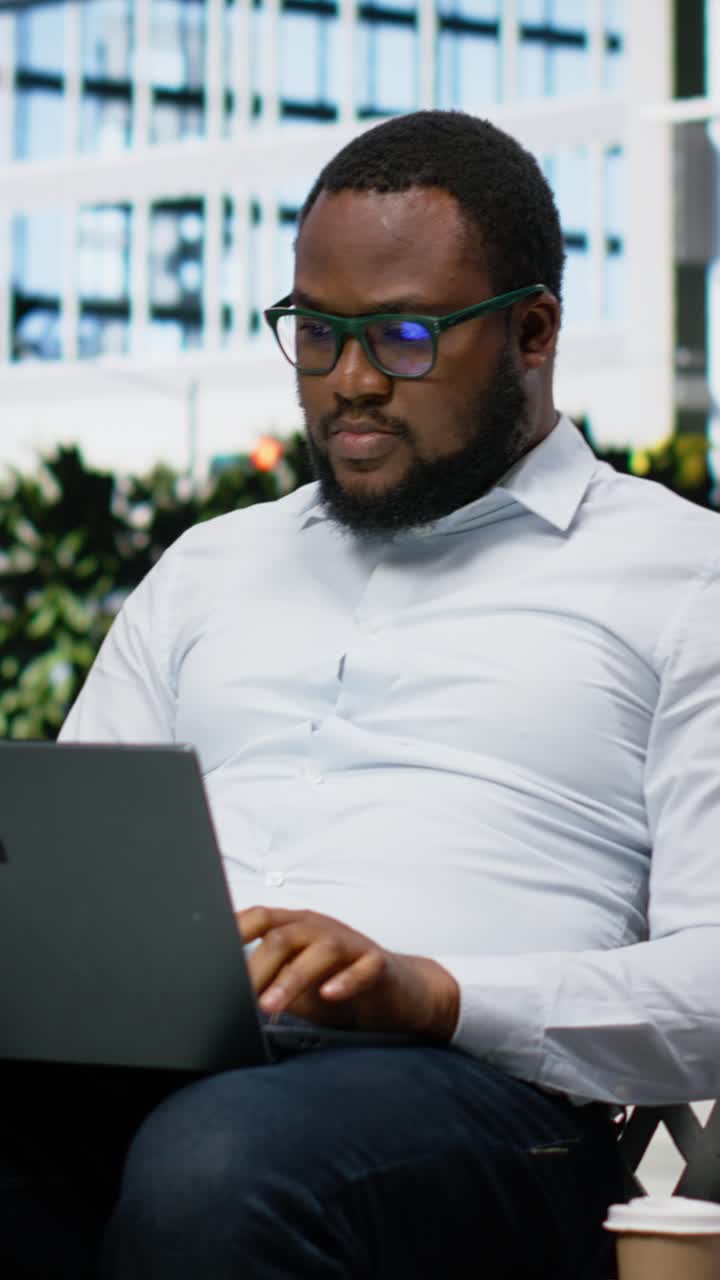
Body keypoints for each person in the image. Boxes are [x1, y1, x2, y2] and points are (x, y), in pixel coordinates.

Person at [6, 109, 720, 1279]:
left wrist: (430, 991)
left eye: (401, 335)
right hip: (161, 1076)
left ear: (533, 330)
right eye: (318, 332)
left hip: (485, 1111)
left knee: (219, 1161)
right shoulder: (208, 568)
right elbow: (71, 872)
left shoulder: (686, 580)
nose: (348, 383)